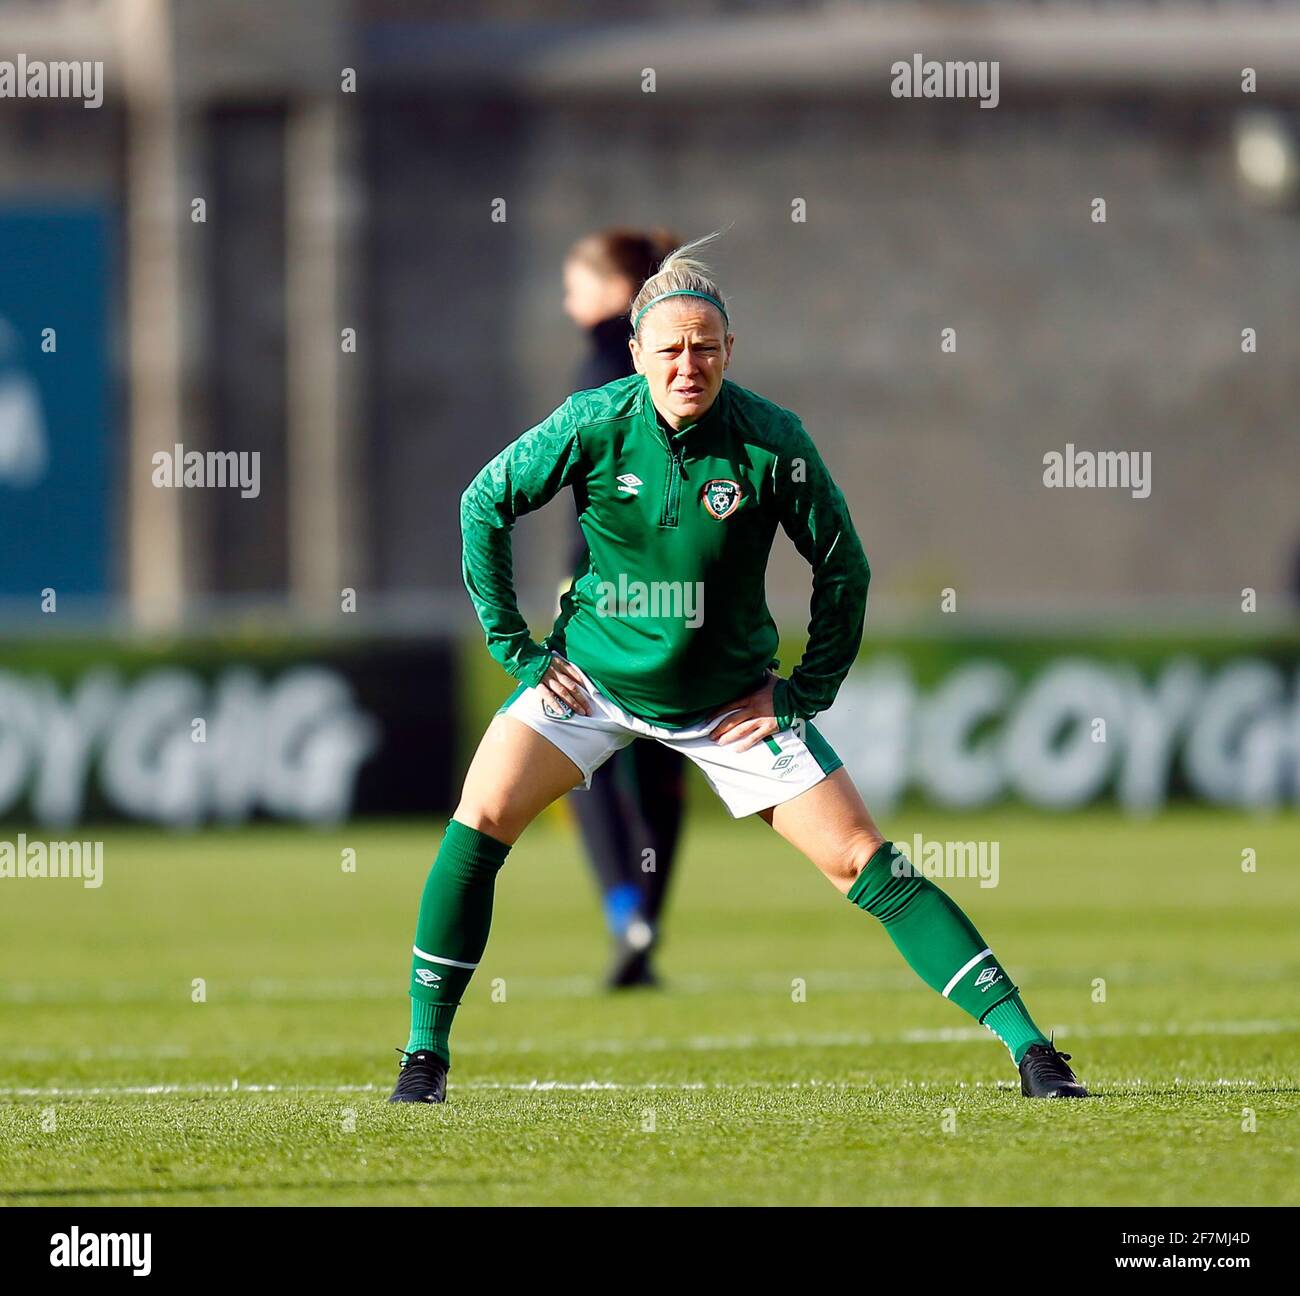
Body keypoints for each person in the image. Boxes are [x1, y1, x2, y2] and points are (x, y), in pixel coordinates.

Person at [390, 234, 1087, 1103]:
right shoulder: (592, 422)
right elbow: (483, 504)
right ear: (638, 353)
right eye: (672, 348)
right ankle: (424, 1058)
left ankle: (1033, 1051)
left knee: (862, 859)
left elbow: (844, 568)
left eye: (707, 348)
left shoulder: (771, 440)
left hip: (729, 705)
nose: (690, 364)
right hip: (592, 683)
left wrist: (802, 692)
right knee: (482, 816)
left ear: (730, 352)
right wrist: (516, 648)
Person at [560, 227, 686, 987]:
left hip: (612, 601)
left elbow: (595, 498)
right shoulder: (682, 358)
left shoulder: (607, 366)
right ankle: (646, 918)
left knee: (583, 758)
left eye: (572, 284)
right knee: (669, 762)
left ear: (610, 291)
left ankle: (624, 910)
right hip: (685, 601)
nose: (567, 301)